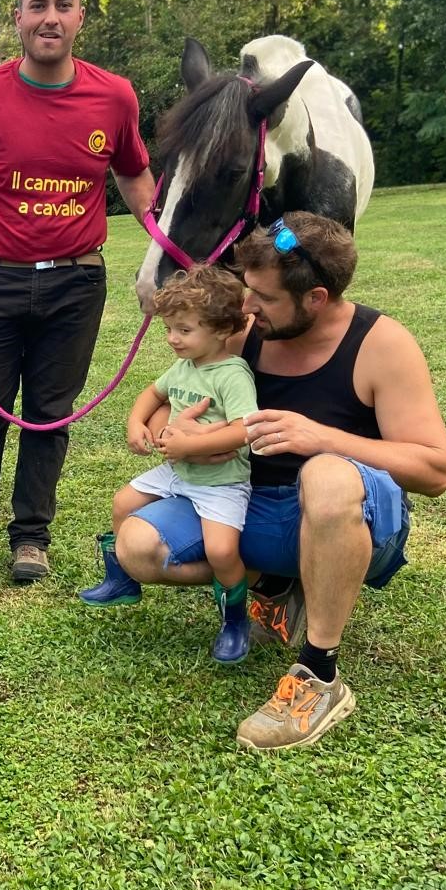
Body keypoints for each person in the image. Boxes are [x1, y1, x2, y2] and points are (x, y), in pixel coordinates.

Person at [115, 212, 446, 750]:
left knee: (326, 476)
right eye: (248, 291)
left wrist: (321, 437)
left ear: (316, 298)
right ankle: (274, 584)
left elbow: (436, 470)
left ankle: (319, 675)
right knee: (136, 548)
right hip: (246, 502)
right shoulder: (247, 332)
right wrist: (167, 431)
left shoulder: (381, 344)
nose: (247, 308)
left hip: (342, 514)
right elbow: (178, 396)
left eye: (264, 298)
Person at [0, 0, 156, 585]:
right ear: (18, 17)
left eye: (62, 5)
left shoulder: (114, 96)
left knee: (50, 415)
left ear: (80, 15)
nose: (49, 18)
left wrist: (166, 244)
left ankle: (31, 538)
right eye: (37, 6)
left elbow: (134, 175)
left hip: (77, 283)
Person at [80, 265, 257, 663]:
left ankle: (235, 618)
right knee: (124, 502)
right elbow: (152, 391)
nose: (173, 339)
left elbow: (245, 429)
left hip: (220, 482)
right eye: (169, 329)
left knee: (222, 552)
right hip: (178, 471)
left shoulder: (231, 374)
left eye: (184, 330)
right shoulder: (184, 366)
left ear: (220, 329)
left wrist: (195, 447)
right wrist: (135, 422)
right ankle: (123, 577)